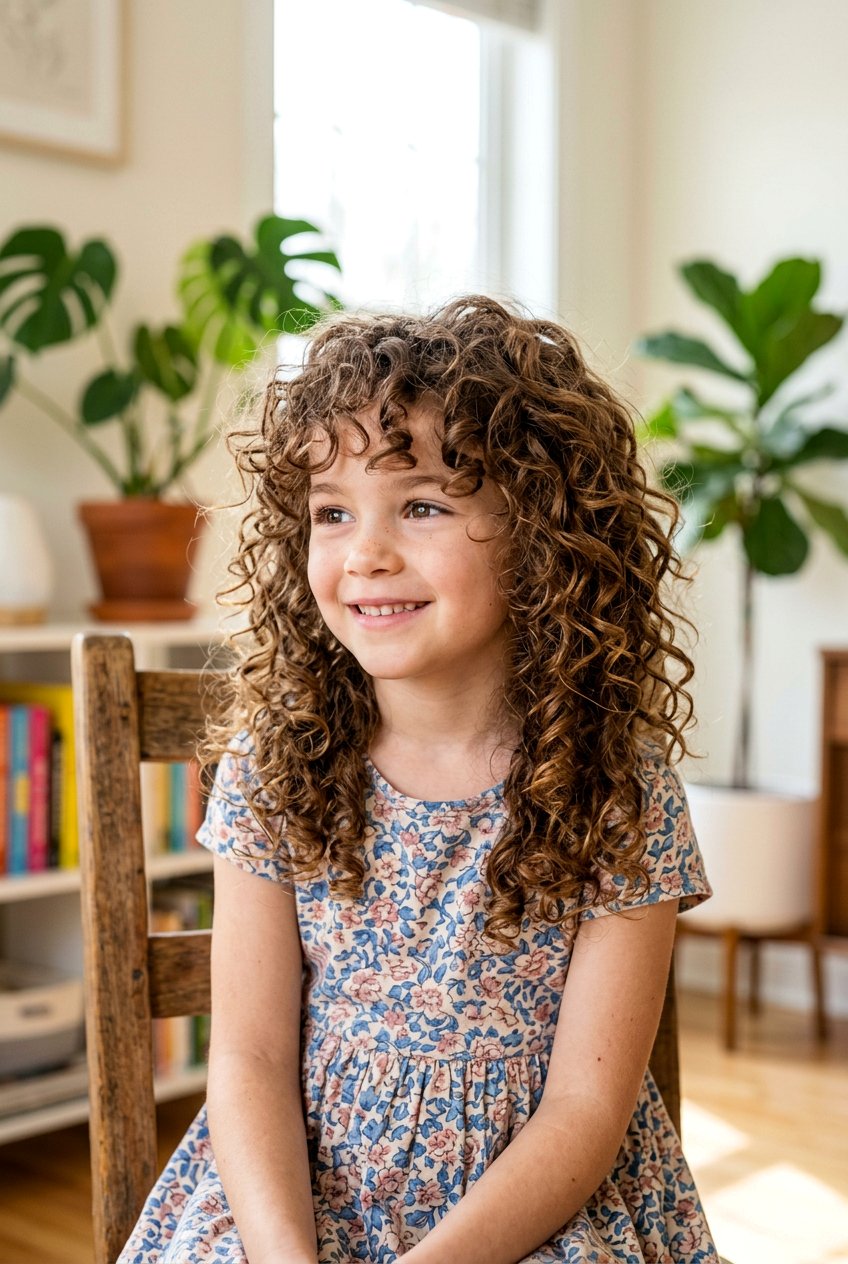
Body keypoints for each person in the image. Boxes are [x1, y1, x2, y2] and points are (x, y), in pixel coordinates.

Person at [121, 295, 718, 1264]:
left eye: (422, 503)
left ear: (541, 531)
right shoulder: (275, 769)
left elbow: (583, 1108)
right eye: (330, 512)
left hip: (534, 1215)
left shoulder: (615, 788)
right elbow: (248, 1057)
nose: (364, 553)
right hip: (291, 1207)